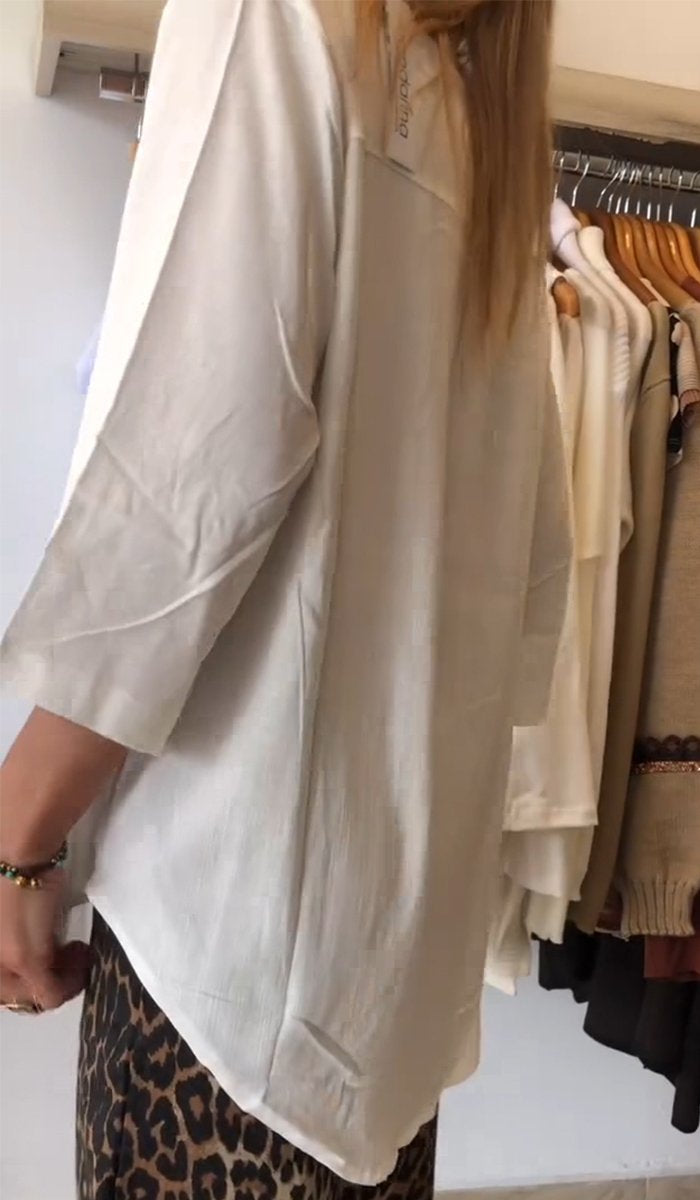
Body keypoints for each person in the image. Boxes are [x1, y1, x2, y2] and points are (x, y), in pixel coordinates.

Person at [0, 0, 567, 1193]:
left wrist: (19, 836)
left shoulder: (277, 18)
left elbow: (188, 479)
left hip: (227, 957)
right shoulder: (484, 117)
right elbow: (533, 569)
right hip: (379, 990)